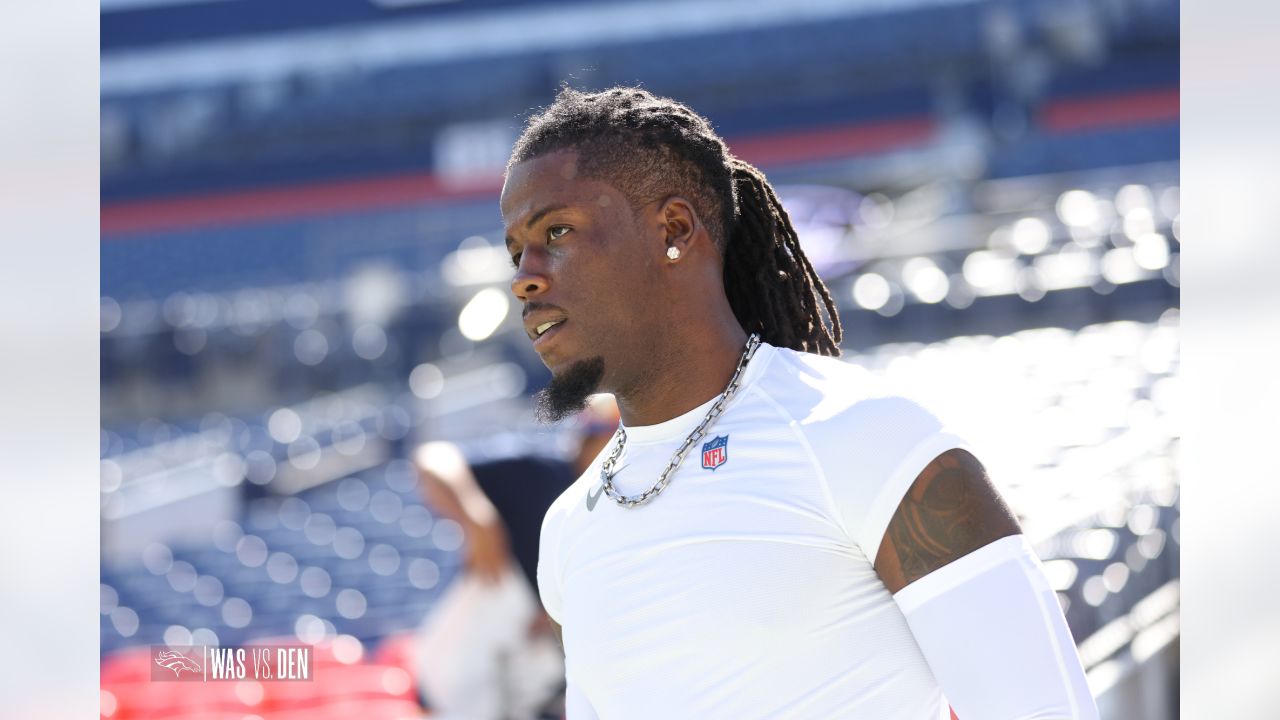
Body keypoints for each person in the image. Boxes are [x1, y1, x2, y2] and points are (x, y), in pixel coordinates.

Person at [500, 87, 1098, 719]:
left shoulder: (866, 435)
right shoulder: (568, 529)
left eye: (556, 232)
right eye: (515, 251)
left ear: (673, 230)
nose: (524, 277)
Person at [409, 397, 620, 720]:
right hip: (471, 659)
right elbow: (432, 459)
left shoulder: (616, 507)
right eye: (613, 437)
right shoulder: (540, 471)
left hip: (539, 668)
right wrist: (476, 513)